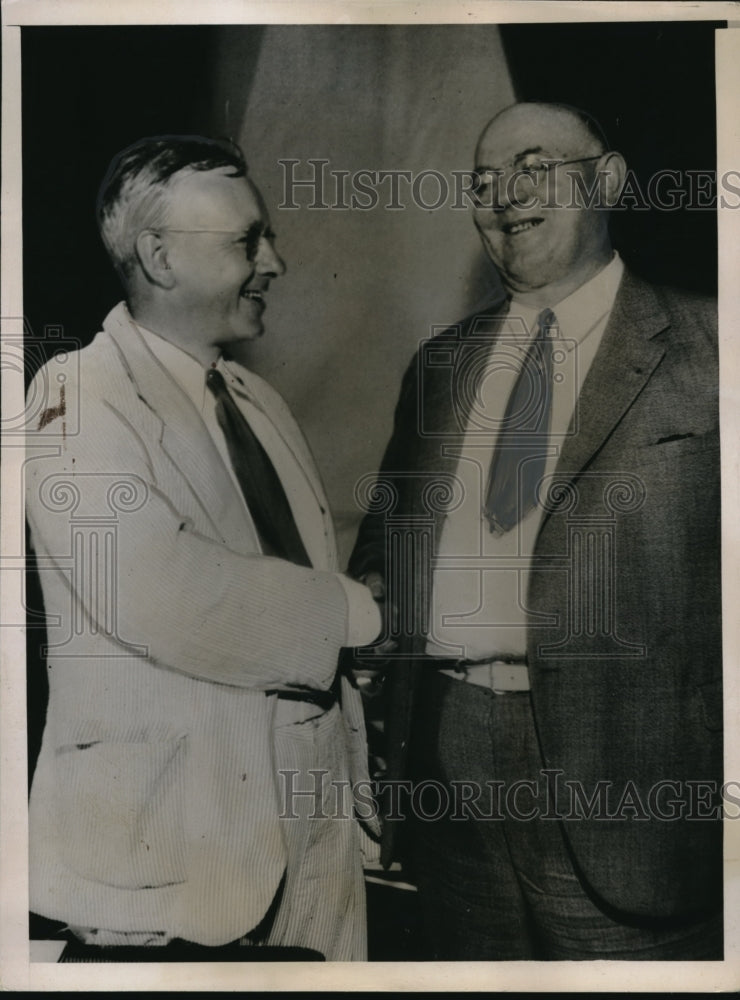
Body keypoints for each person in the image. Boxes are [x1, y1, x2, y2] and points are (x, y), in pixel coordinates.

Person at [348, 102, 722, 960]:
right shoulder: (440, 365)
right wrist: (376, 593)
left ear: (611, 180)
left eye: (534, 165)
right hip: (450, 760)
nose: (505, 195)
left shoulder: (714, 346)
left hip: (636, 779)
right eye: (483, 180)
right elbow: (386, 535)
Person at [25, 135, 381, 959]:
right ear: (158, 256)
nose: (277, 263)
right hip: (177, 857)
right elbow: (161, 588)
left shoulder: (259, 401)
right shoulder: (74, 394)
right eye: (247, 241)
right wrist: (355, 611)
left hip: (312, 842)